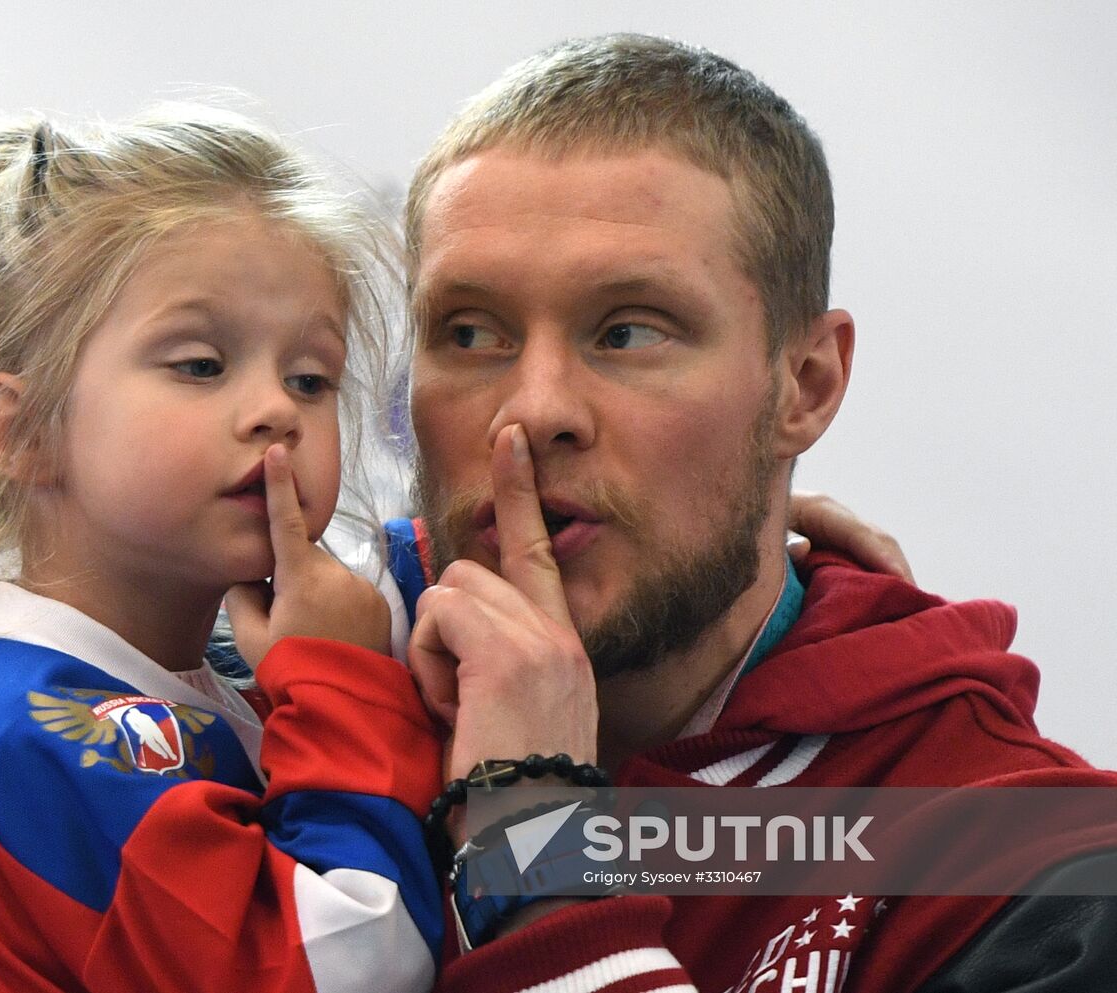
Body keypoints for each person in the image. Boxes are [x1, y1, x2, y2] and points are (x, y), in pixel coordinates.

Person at [387, 34, 1117, 992]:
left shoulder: (1035, 876)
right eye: (470, 333)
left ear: (804, 387)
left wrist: (529, 837)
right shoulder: (270, 710)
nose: (532, 410)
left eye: (628, 331)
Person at [0, 108, 447, 992]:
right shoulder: (42, 733)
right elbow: (355, 967)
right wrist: (344, 683)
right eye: (201, 364)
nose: (276, 410)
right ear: (24, 435)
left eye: (311, 378)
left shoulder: (138, 675)